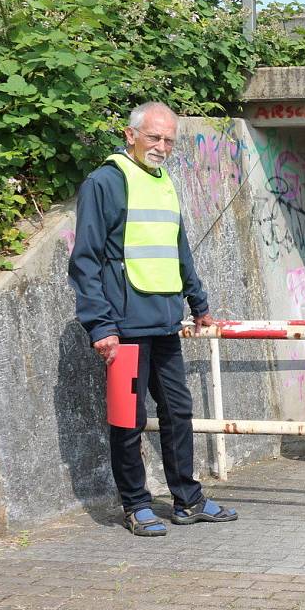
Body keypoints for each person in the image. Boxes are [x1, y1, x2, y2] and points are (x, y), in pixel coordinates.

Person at [69, 101, 238, 536]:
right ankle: (136, 504)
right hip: (123, 325)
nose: (162, 146)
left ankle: (187, 500)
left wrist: (198, 304)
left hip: (164, 321)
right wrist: (99, 325)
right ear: (130, 135)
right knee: (128, 418)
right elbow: (84, 260)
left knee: (178, 411)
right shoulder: (105, 182)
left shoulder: (165, 182)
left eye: (168, 139)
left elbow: (179, 248)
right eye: (154, 137)